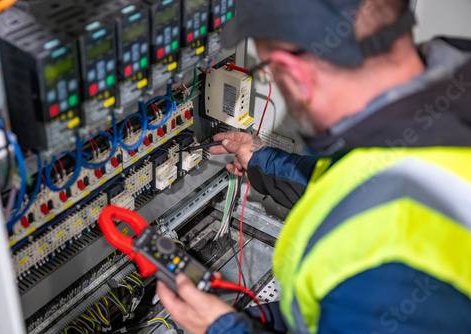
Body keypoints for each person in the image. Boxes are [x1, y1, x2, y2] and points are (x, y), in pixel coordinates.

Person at [157, 0, 471, 333]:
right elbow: (357, 185)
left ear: (293, 73)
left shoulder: (389, 270)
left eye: (268, 71)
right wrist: (261, 160)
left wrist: (222, 329)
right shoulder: (441, 107)